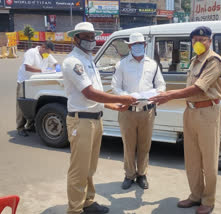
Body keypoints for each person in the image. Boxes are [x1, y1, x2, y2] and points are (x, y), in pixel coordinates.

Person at [150, 26, 221, 214]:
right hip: (190, 111)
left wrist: (170, 95)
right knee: (192, 158)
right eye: (194, 39)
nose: (198, 42)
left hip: (207, 112)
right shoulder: (195, 61)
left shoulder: (213, 61)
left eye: (202, 39)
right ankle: (195, 195)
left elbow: (199, 88)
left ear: (209, 40)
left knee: (208, 159)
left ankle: (208, 200)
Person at [62, 22, 136, 214]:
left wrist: (113, 105)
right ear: (75, 38)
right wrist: (122, 97)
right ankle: (75, 209)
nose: (90, 40)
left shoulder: (88, 60)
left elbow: (96, 97)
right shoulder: (73, 62)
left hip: (94, 119)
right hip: (82, 121)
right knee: (79, 169)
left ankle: (87, 201)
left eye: (92, 36)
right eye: (86, 37)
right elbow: (90, 93)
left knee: (90, 167)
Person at [111, 32, 166, 190]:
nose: (137, 47)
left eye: (140, 44)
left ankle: (142, 174)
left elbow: (161, 85)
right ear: (129, 46)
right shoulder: (121, 65)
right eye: (134, 45)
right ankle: (129, 175)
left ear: (145, 45)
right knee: (128, 145)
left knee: (144, 145)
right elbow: (115, 87)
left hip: (147, 111)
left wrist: (157, 94)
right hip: (127, 111)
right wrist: (126, 97)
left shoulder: (153, 64)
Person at [16, 41, 58, 137]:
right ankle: (20, 127)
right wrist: (43, 70)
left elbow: (55, 63)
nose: (49, 54)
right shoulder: (31, 53)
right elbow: (27, 67)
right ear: (43, 47)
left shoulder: (46, 54)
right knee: (21, 105)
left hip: (36, 82)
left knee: (33, 104)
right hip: (24, 82)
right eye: (48, 51)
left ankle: (30, 126)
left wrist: (57, 67)